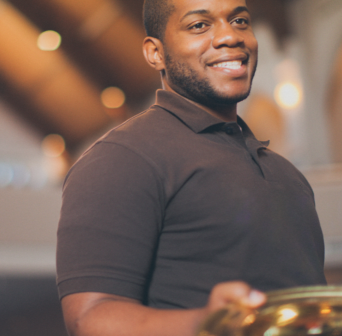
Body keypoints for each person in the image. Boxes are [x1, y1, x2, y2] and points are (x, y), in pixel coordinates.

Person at [55, 0, 327, 335]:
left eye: (240, 20)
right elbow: (89, 320)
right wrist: (209, 323)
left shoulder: (287, 174)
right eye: (199, 25)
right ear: (156, 53)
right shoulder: (121, 158)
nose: (230, 36)